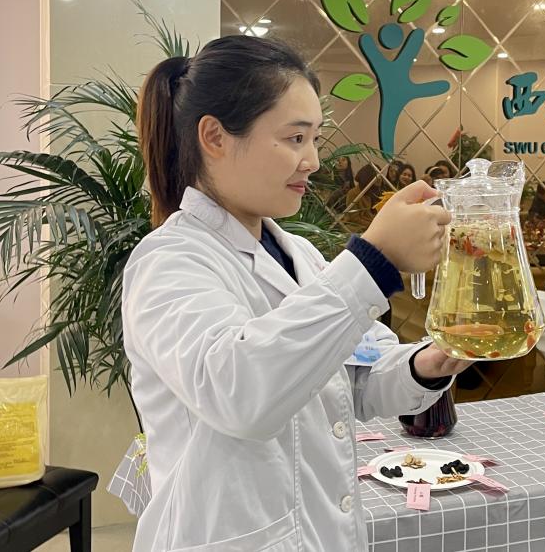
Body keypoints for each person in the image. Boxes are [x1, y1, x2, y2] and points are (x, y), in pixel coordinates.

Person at [123, 35, 472, 551]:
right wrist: (373, 261)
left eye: (315, 139)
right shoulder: (168, 261)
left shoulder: (301, 255)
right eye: (294, 138)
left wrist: (428, 364)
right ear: (215, 137)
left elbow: (353, 381)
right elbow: (241, 394)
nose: (312, 160)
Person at [343, 163, 381, 230]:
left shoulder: (370, 193)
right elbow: (354, 218)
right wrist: (372, 225)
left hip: (368, 223)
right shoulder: (353, 193)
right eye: (377, 176)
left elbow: (368, 213)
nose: (380, 179)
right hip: (355, 226)